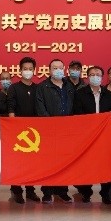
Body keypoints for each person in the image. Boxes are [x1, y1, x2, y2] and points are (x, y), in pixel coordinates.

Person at [73, 65, 111, 203]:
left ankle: (105, 193)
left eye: (98, 75)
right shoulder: (80, 94)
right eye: (92, 75)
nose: (95, 77)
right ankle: (86, 192)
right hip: (86, 135)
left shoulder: (108, 95)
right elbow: (77, 115)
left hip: (104, 136)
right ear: (87, 77)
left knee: (104, 163)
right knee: (86, 164)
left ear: (102, 78)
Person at [36, 58, 75, 203]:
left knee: (64, 161)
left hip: (66, 131)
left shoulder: (69, 86)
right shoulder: (42, 87)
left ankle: (62, 191)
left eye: (60, 67)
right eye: (54, 68)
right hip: (49, 130)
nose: (58, 70)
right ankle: (47, 192)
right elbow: (40, 108)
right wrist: (51, 124)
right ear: (49, 70)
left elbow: (74, 106)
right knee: (48, 162)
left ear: (64, 69)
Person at [7, 56, 41, 203]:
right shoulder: (14, 88)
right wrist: (14, 125)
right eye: (25, 69)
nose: (28, 71)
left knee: (31, 163)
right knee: (17, 162)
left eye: (30, 69)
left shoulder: (38, 88)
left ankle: (30, 190)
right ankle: (17, 190)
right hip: (18, 131)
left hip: (34, 131)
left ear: (34, 70)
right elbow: (11, 108)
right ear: (20, 70)